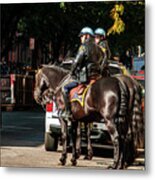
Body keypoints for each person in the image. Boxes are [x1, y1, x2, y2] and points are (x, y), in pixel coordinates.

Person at [61, 27, 104, 119]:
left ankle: (67, 112)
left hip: (85, 78)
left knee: (65, 89)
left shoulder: (83, 47)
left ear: (87, 36)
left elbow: (76, 62)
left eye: (82, 36)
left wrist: (72, 72)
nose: (81, 38)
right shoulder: (99, 49)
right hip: (97, 77)